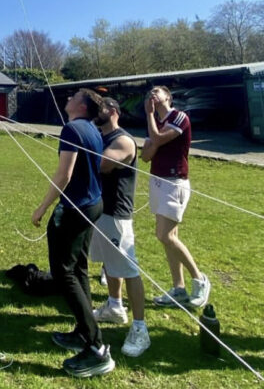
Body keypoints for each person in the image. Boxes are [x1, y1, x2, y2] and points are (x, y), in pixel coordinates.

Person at [32, 88, 115, 378]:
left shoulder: (71, 128)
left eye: (73, 96)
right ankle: (83, 331)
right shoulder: (91, 129)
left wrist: (42, 208)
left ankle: (97, 348)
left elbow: (64, 174)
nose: (67, 99)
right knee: (78, 268)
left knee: (63, 271)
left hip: (76, 208)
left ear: (81, 105)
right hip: (93, 205)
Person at [89, 97, 151, 357]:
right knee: (108, 263)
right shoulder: (100, 136)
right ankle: (115, 306)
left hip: (117, 214)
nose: (96, 112)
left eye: (101, 108)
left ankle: (140, 328)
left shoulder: (123, 140)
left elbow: (102, 164)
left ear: (112, 112)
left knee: (128, 268)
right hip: (100, 210)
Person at [140, 85, 210, 308]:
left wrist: (151, 119)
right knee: (169, 238)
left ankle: (199, 280)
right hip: (158, 181)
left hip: (174, 181)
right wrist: (153, 138)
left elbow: (157, 141)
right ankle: (178, 288)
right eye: (150, 91)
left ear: (168, 97)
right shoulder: (156, 124)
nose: (152, 94)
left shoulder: (179, 117)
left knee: (165, 235)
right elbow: (146, 156)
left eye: (157, 91)